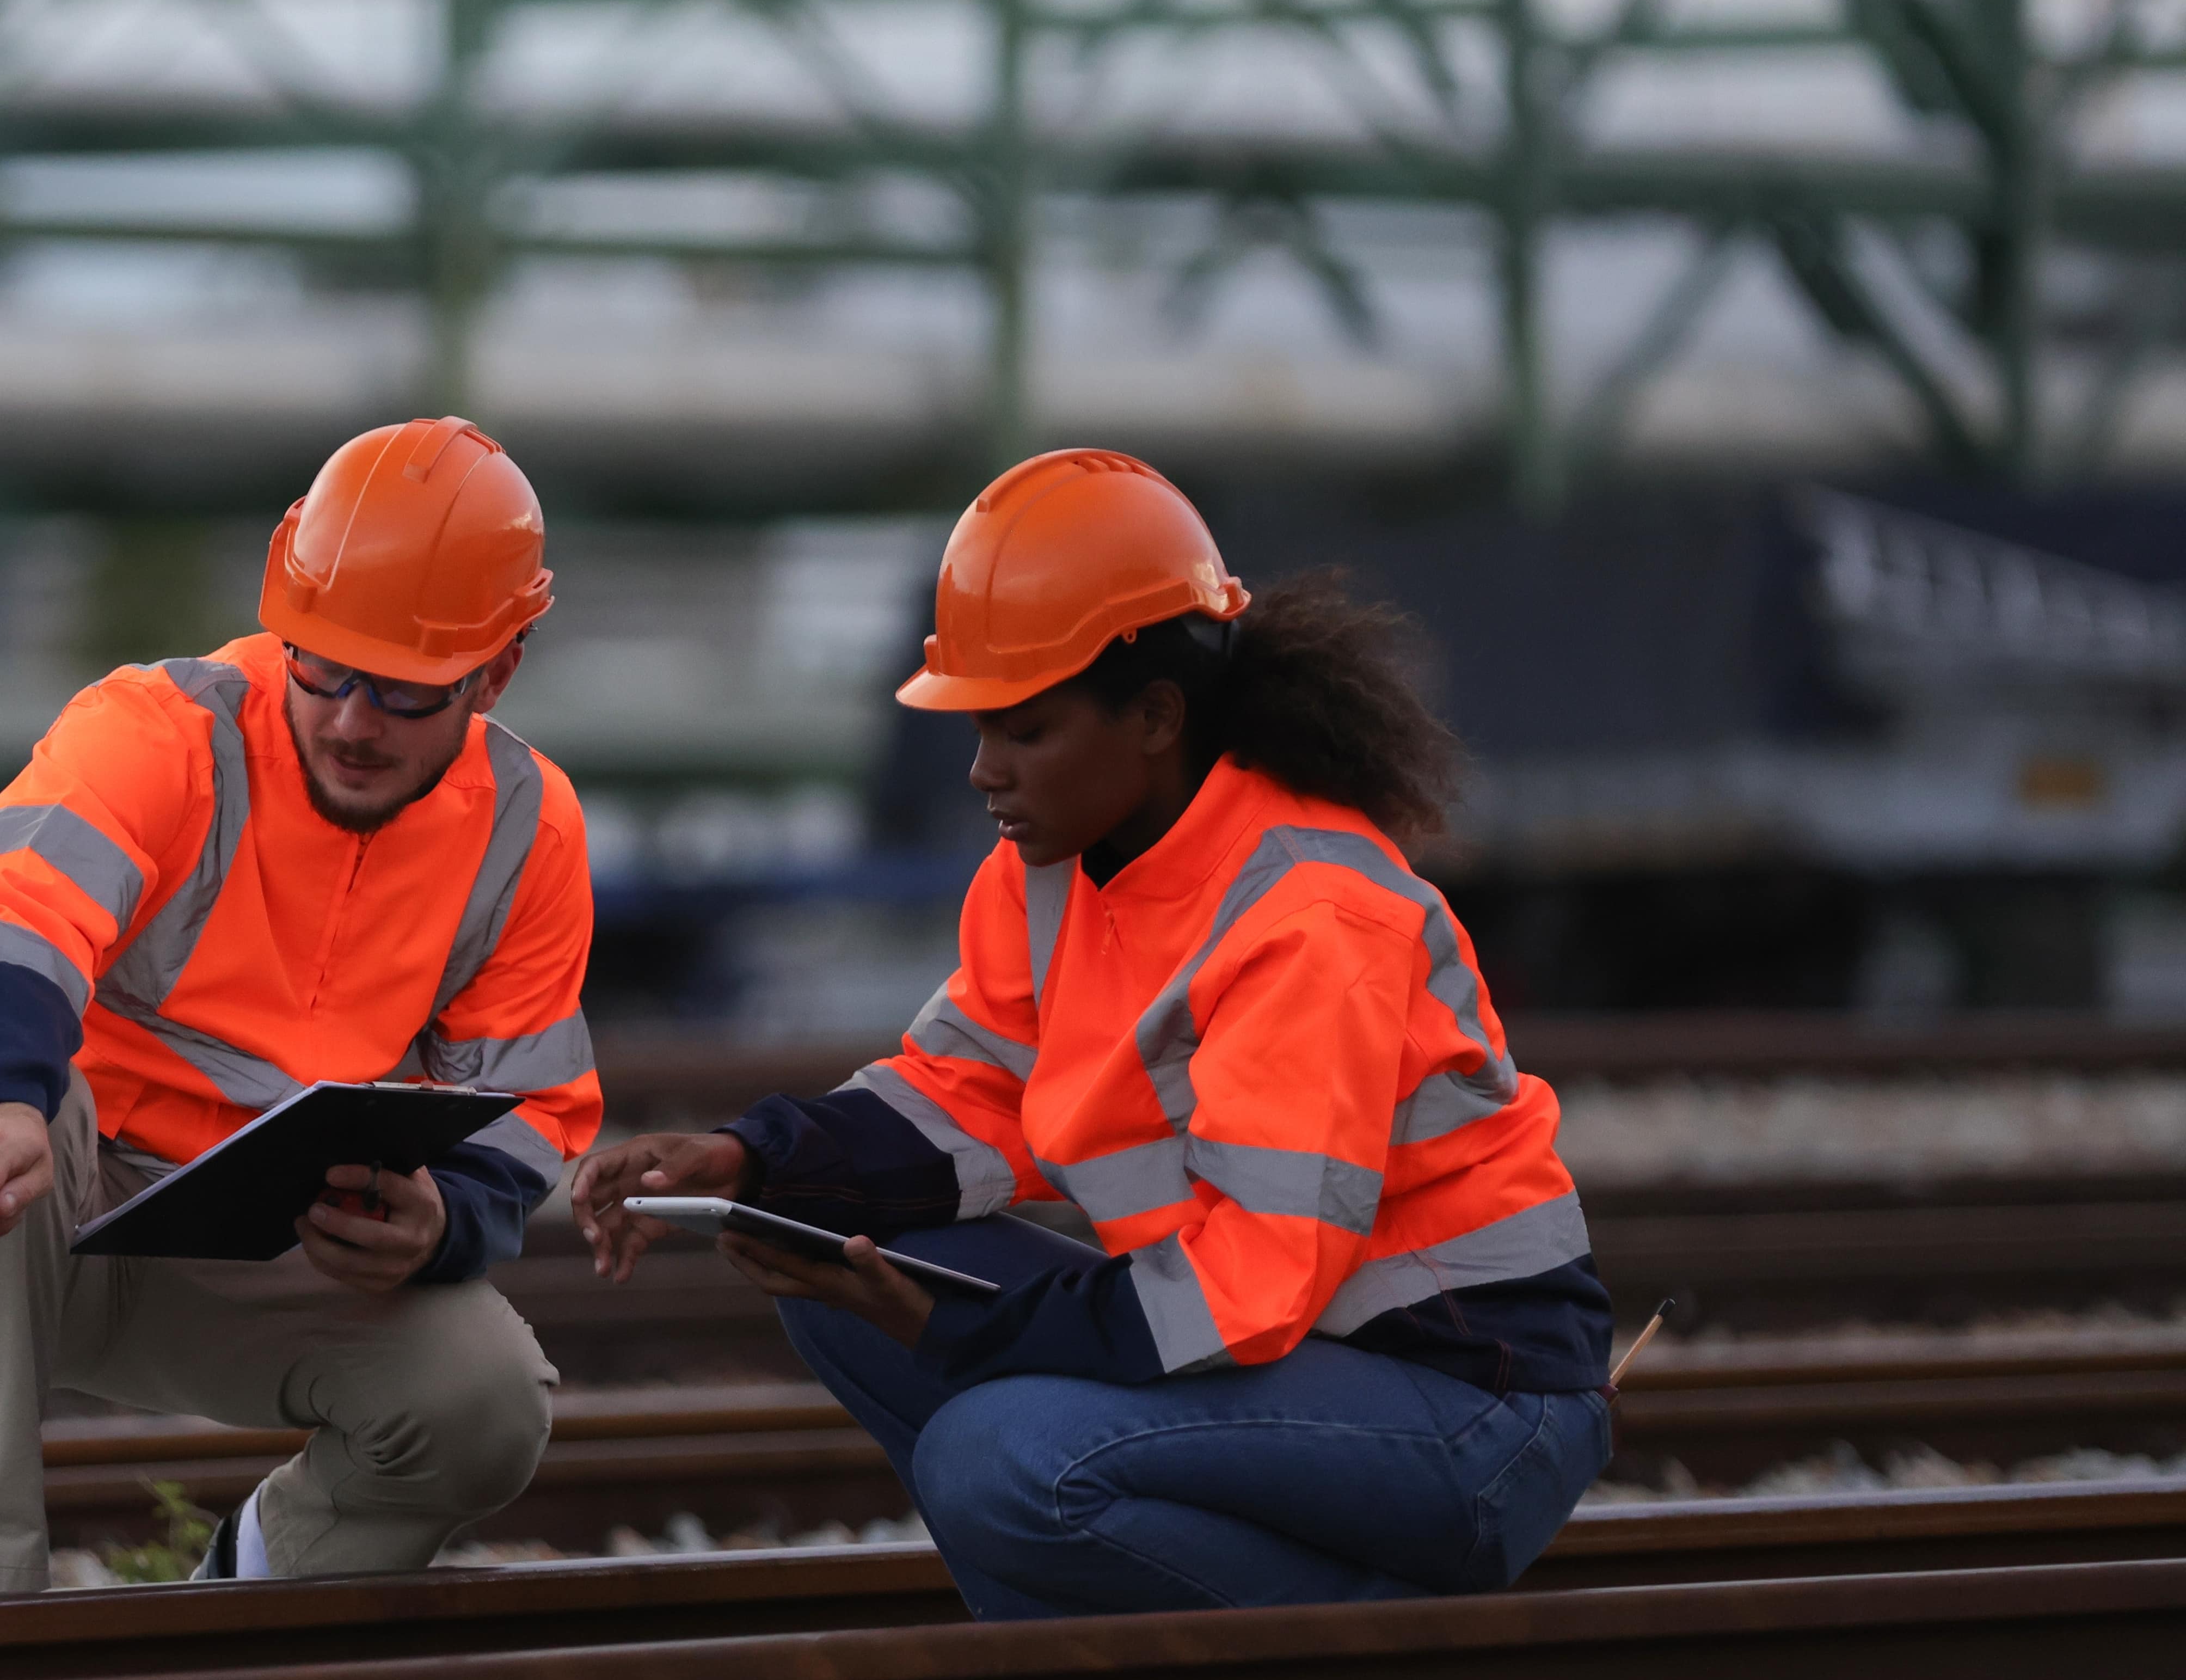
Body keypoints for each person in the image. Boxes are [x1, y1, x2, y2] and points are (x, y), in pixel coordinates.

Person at [573, 447, 1611, 1618]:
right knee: (829, 1261)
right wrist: (752, 1158)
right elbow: (963, 1095)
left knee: (997, 1453)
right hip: (1303, 1363)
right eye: (976, 728)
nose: (980, 770)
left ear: (1156, 715)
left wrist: (970, 1327)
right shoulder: (1052, 870)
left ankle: (1345, 1657)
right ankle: (1115, 1647)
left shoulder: (1311, 918)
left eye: (1021, 729)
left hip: (1469, 1407)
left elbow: (1245, 1290)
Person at [0, 418, 601, 1596]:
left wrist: (442, 1217)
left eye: (400, 689)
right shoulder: (159, 731)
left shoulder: (527, 829)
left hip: (251, 1249)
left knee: (487, 1399)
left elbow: (533, 1102)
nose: (350, 717)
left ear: (496, 671)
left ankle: (242, 1598)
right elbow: (5, 924)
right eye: (321, 663)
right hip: (29, 1209)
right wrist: (0, 1100)